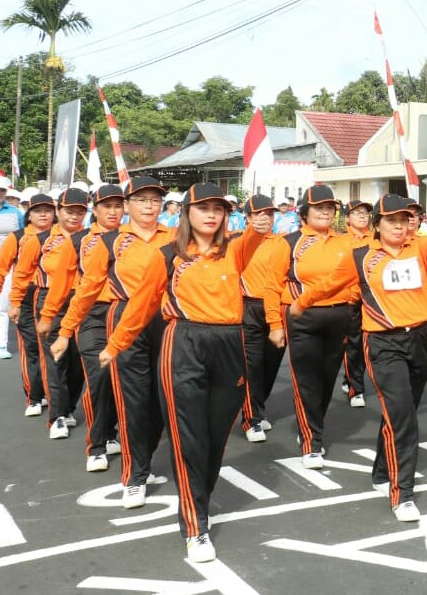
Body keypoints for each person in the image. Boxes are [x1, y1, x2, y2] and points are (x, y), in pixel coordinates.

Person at [101, 182, 268, 564]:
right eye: (203, 208)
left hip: (229, 345)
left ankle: (199, 503)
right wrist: (115, 346)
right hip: (184, 343)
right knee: (189, 438)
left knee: (214, 440)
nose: (212, 214)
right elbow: (141, 306)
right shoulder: (168, 255)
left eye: (219, 208)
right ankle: (196, 527)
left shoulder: (237, 249)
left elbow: (259, 230)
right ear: (186, 213)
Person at [291, 193, 427, 521]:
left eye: (404, 220)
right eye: (391, 220)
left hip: (420, 338)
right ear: (377, 225)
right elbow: (328, 284)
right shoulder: (361, 256)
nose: (398, 226)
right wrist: (301, 304)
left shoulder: (420, 248)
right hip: (382, 342)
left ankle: (382, 471)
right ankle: (401, 492)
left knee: (403, 411)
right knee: (402, 415)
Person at [57, 175, 175, 508]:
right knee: (134, 401)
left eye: (154, 200)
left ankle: (146, 460)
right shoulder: (110, 242)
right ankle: (135, 475)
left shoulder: (178, 236)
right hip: (125, 320)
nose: (149, 206)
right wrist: (66, 330)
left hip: (167, 321)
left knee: (162, 399)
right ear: (128, 205)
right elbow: (88, 289)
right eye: (141, 200)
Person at [261, 185, 354, 469]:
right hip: (302, 318)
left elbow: (356, 279)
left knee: (327, 379)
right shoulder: (289, 243)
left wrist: (350, 302)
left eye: (330, 208)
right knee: (307, 379)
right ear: (304, 212)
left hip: (339, 317)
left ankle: (314, 425)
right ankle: (311, 439)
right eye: (319, 208)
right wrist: (275, 324)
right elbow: (271, 286)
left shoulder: (346, 242)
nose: (325, 212)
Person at [47, 184, 125, 471]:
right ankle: (97, 445)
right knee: (99, 378)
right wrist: (51, 318)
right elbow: (61, 284)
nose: (113, 211)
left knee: (124, 380)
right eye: (107, 206)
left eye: (118, 205)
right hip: (91, 315)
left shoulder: (131, 239)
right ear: (96, 209)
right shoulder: (80, 241)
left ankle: (111, 430)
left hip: (123, 314)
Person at [30, 188, 89, 440]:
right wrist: (12, 302)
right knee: (56, 361)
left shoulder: (92, 239)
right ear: (58, 211)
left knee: (78, 363)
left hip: (83, 302)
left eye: (80, 212)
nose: (74, 217)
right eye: (69, 211)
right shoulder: (41, 239)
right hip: (50, 301)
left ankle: (68, 407)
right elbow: (22, 272)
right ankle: (56, 416)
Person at [0, 193, 53, 413]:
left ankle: (53, 395)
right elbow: (1, 269)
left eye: (47, 210)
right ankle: (34, 396)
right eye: (37, 210)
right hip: (25, 298)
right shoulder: (17, 237)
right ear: (29, 215)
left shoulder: (61, 236)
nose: (43, 214)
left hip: (53, 298)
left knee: (54, 349)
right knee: (32, 347)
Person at [236, 195, 280, 443]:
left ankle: (258, 406)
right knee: (251, 364)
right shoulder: (238, 242)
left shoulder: (282, 242)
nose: (265, 218)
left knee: (270, 364)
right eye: (258, 214)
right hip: (248, 307)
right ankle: (251, 418)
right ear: (248, 218)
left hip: (275, 309)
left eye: (269, 214)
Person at [341, 199, 373, 408]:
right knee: (353, 344)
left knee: (368, 345)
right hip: (350, 301)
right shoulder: (341, 241)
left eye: (366, 213)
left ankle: (350, 379)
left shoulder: (377, 239)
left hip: (373, 301)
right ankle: (355, 388)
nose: (363, 216)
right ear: (347, 218)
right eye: (357, 212)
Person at [0, 174, 24, 359]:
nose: (0, 193)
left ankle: (0, 345)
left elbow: (23, 236)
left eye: (3, 190)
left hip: (7, 264)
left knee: (1, 304)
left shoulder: (15, 212)